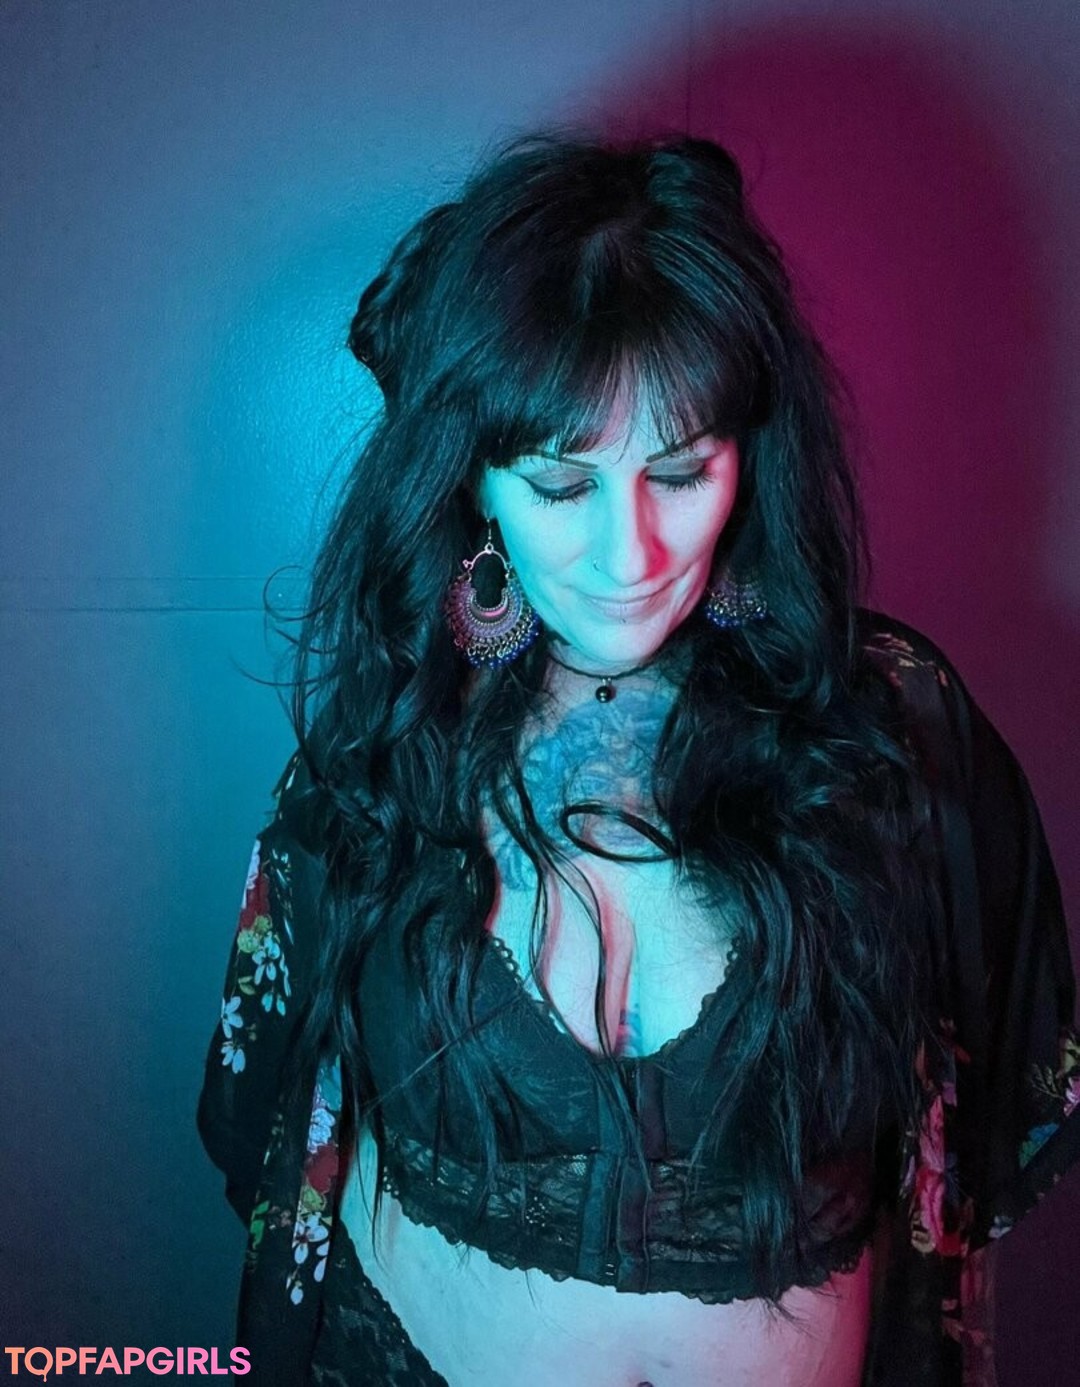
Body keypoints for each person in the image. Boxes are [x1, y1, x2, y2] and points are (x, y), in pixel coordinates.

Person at [197, 131, 1080, 1386]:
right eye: (562, 487)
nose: (633, 554)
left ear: (747, 460)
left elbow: (978, 1129)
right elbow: (285, 1129)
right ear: (475, 481)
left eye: (681, 471)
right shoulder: (388, 753)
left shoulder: (894, 732)